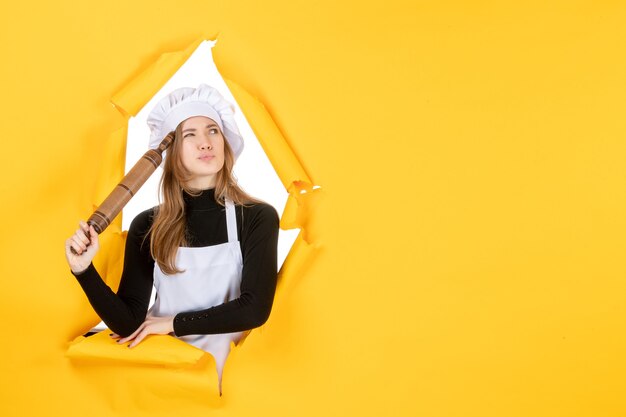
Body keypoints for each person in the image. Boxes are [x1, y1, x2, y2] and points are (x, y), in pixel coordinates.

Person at [64, 84, 280, 395]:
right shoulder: (148, 224)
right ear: (173, 151)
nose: (205, 143)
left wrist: (172, 323)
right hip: (163, 375)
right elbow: (128, 322)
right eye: (189, 134)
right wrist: (83, 270)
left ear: (226, 142)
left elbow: (254, 309)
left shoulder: (257, 217)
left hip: (230, 383)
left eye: (213, 131)